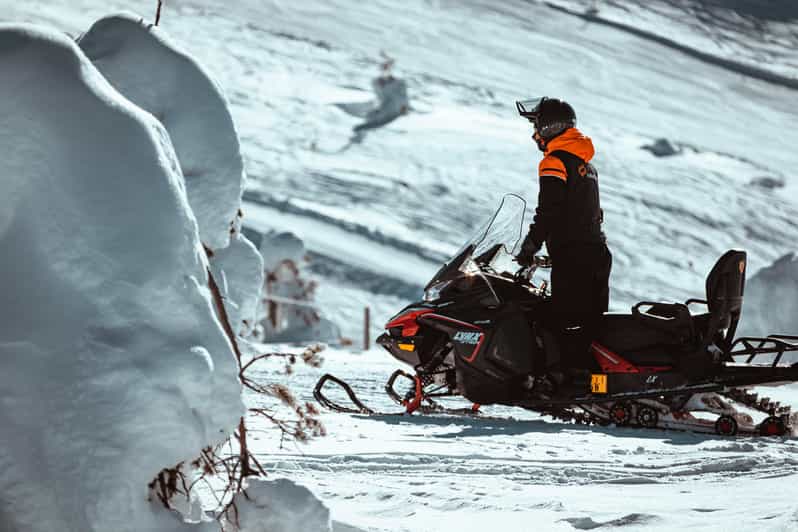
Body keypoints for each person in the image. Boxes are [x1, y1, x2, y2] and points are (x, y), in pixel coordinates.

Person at [514, 97, 612, 378]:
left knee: (559, 322)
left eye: (536, 126)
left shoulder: (554, 162)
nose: (534, 134)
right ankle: (597, 386)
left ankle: (565, 384)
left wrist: (529, 246)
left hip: (574, 256)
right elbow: (586, 214)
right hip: (596, 254)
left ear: (548, 127)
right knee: (590, 327)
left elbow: (549, 211)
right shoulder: (585, 166)